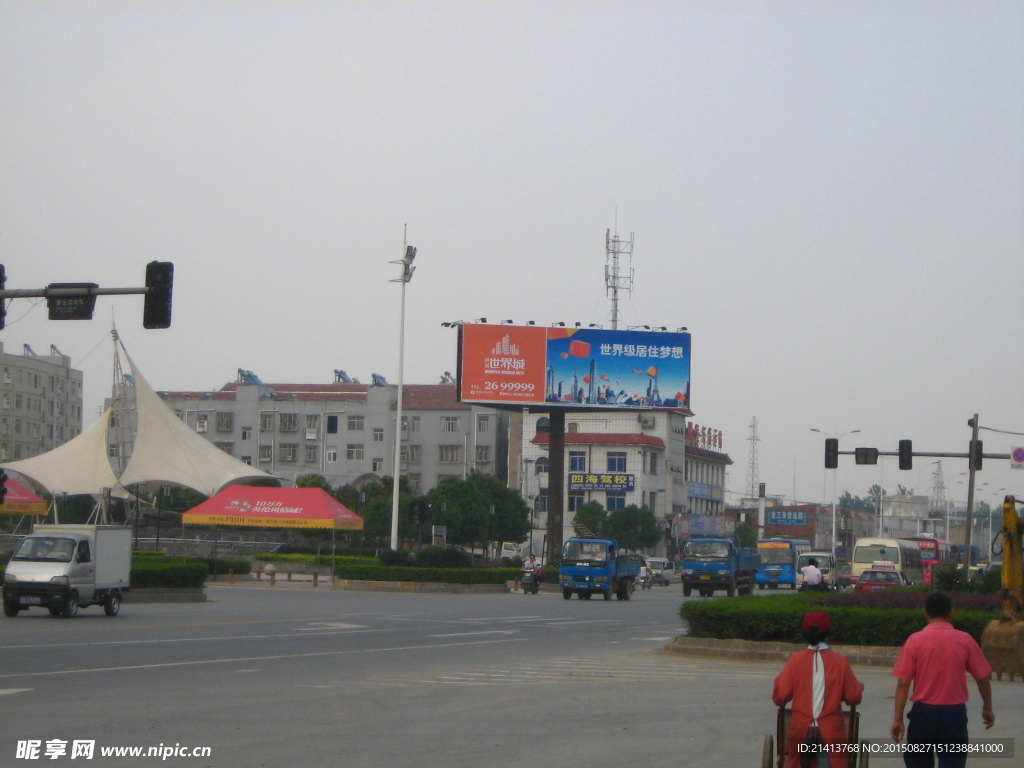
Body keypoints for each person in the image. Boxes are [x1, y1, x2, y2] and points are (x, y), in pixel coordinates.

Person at [890, 591, 994, 768]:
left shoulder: (915, 641)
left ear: (925, 613)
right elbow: (983, 679)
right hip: (954, 715)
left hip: (923, 714)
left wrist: (898, 719)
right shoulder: (965, 640)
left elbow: (903, 683)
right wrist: (987, 707)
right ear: (951, 614)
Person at [772, 611, 864, 768]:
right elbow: (854, 697)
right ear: (827, 633)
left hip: (801, 730)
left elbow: (780, 696)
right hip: (830, 730)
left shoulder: (796, 660)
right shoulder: (839, 662)